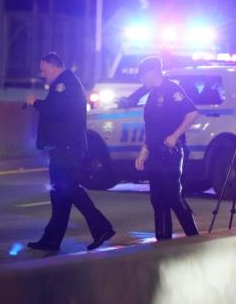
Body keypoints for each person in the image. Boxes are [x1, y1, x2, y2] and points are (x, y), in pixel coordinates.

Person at [25, 52, 115, 251]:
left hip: (67, 148)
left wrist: (35, 103)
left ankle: (102, 227)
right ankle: (51, 240)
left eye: (44, 70)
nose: (43, 74)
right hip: (63, 147)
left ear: (55, 67)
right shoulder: (64, 83)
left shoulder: (64, 84)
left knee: (69, 189)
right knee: (59, 195)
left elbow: (55, 110)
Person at [134, 56, 200, 241]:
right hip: (155, 153)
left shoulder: (173, 90)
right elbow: (152, 128)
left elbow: (192, 113)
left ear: (152, 72)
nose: (141, 80)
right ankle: (163, 241)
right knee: (157, 200)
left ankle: (193, 238)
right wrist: (144, 152)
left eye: (142, 76)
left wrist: (175, 135)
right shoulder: (152, 96)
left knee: (173, 196)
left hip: (171, 153)